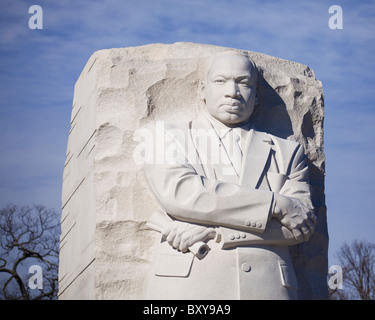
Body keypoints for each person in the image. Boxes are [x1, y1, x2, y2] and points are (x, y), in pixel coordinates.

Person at [142, 50, 317, 299]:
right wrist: (275, 204)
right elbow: (183, 194)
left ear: (256, 96)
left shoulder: (287, 152)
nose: (232, 92)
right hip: (187, 285)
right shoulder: (166, 137)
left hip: (268, 287)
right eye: (221, 81)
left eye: (244, 82)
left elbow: (300, 226)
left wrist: (216, 232)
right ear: (203, 89)